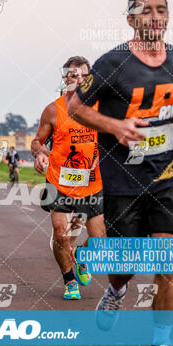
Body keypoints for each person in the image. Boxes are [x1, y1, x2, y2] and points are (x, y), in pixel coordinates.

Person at [67, 0, 173, 346]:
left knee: (169, 257)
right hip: (123, 178)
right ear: (131, 19)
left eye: (161, 9)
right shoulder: (111, 64)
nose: (155, 16)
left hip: (168, 173)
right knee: (123, 264)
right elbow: (76, 107)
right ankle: (115, 290)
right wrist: (113, 125)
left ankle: (161, 344)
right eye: (146, 11)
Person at [31, 56, 106, 300]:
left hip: (90, 182)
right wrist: (40, 154)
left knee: (99, 240)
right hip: (59, 181)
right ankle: (69, 279)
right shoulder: (53, 110)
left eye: (83, 76)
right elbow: (37, 142)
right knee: (61, 232)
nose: (78, 80)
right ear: (65, 78)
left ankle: (82, 256)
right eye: (73, 75)